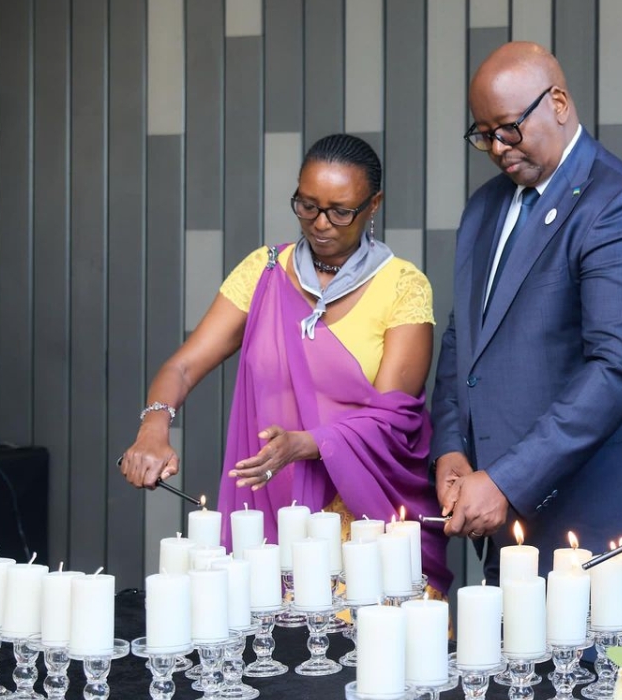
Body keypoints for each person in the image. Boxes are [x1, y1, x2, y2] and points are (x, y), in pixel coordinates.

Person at [120, 134, 451, 596]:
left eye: (340, 211)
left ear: (373, 204)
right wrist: (154, 427)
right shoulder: (264, 271)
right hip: (269, 504)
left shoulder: (403, 286)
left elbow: (393, 417)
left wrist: (305, 443)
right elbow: (183, 367)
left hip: (365, 515)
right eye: (307, 205)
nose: (320, 224)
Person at [431, 41, 622, 610]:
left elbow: (618, 368)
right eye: (484, 134)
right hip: (506, 501)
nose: (498, 148)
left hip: (602, 503)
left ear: (557, 102)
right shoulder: (484, 208)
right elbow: (464, 340)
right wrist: (451, 447)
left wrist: (507, 480)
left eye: (508, 128)